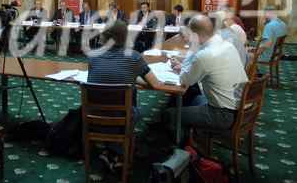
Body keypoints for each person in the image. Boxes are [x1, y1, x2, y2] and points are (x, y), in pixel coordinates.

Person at [88, 21, 161, 170]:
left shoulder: (92, 55)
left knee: (117, 98)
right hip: (122, 115)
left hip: (93, 113)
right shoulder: (134, 57)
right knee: (132, 109)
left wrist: (132, 78)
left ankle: (108, 151)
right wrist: (136, 80)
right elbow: (155, 84)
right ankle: (116, 152)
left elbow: (106, 75)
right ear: (125, 37)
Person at [166, 15, 248, 143]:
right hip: (243, 109)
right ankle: (190, 135)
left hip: (224, 114)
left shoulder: (205, 55)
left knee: (170, 115)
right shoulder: (226, 45)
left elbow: (185, 80)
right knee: (196, 99)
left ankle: (183, 150)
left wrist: (188, 57)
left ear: (196, 35)